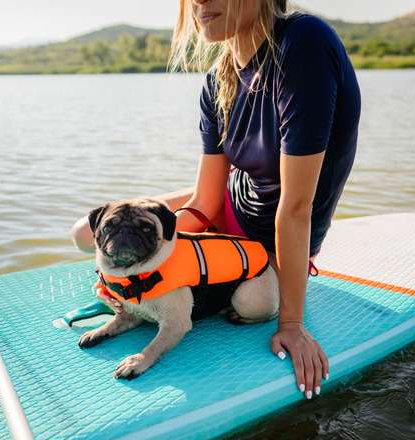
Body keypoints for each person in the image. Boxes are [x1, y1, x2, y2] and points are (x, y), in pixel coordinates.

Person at [71, 0, 361, 400]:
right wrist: (131, 272)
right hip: (227, 209)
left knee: (252, 295)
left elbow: (296, 209)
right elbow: (206, 202)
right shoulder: (218, 79)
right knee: (84, 234)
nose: (199, 1)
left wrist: (292, 323)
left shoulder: (304, 42)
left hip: (271, 242)